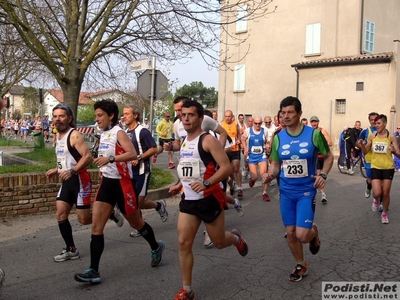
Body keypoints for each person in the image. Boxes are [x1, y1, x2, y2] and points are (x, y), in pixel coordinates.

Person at [74, 99, 164, 284]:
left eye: (100, 115)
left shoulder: (119, 132)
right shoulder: (103, 133)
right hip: (107, 185)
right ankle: (93, 270)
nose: (96, 119)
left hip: (123, 185)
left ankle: (156, 246)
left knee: (136, 223)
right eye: (96, 115)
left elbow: (132, 154)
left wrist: (111, 159)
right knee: (96, 227)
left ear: (111, 115)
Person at [168, 100, 248, 299]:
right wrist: (180, 183)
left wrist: (207, 183)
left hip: (209, 198)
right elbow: (189, 168)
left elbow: (226, 168)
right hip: (189, 200)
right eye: (183, 115)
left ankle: (236, 238)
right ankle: (187, 290)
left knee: (219, 242)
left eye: (191, 115)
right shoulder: (185, 141)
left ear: (200, 118)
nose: (185, 118)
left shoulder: (207, 140)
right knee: (183, 243)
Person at [262, 96, 333, 282]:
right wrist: (270, 174)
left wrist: (323, 175)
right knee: (291, 233)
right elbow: (276, 164)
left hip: (306, 191)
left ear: (299, 113)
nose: (286, 116)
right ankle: (301, 263)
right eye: (283, 112)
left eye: (290, 112)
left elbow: (329, 157)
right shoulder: (278, 137)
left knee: (302, 235)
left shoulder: (313, 134)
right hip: (286, 191)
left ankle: (313, 233)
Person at [45, 103, 94, 262]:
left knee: (84, 220)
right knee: (60, 214)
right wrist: (57, 170)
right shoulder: (58, 136)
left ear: (69, 118)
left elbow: (87, 157)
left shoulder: (75, 135)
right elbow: (67, 160)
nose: (57, 119)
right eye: (55, 116)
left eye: (61, 116)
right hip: (67, 182)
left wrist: (72, 171)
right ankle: (71, 249)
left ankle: (110, 212)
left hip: (80, 181)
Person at [123, 103, 168, 238]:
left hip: (143, 171)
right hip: (130, 173)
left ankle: (158, 206)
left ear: (135, 115)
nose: (124, 116)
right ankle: (140, 226)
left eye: (127, 114)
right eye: (123, 114)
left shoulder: (142, 131)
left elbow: (154, 148)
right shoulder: (125, 133)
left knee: (139, 201)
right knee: (135, 202)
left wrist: (139, 157)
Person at [357, 114, 400, 224]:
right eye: (375, 123)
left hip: (388, 168)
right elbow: (365, 151)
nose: (376, 125)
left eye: (379, 123)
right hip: (375, 166)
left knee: (385, 193)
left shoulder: (391, 137)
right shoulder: (373, 136)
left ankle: (384, 213)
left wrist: (394, 151)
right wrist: (362, 145)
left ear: (385, 123)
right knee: (377, 193)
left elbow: (399, 153)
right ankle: (376, 200)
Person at [242, 115, 270, 201]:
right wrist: (245, 149)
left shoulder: (264, 131)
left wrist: (267, 145)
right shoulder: (248, 131)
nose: (257, 125)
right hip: (252, 157)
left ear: (261, 123)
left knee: (264, 175)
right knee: (255, 177)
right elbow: (243, 139)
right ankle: (252, 180)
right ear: (253, 123)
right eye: (256, 123)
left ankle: (264, 193)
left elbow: (266, 141)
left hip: (262, 156)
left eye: (259, 123)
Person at [310, 115, 333, 203]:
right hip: (315, 158)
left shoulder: (322, 131)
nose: (314, 123)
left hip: (323, 157)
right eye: (312, 122)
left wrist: (321, 145)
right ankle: (322, 194)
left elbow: (330, 142)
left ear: (318, 122)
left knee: (320, 177)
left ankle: (320, 193)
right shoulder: (310, 132)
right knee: (318, 176)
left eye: (315, 121)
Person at [221, 110, 244, 197]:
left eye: (229, 116)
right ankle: (232, 184)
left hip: (235, 149)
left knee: (236, 169)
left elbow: (239, 134)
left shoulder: (236, 124)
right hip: (226, 150)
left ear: (232, 116)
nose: (227, 118)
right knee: (229, 170)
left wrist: (238, 139)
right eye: (226, 116)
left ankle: (240, 188)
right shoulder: (221, 125)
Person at [357, 112, 378, 198]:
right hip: (369, 159)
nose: (373, 121)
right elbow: (358, 142)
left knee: (379, 181)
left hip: (380, 160)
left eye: (375, 119)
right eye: (371, 120)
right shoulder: (365, 131)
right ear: (369, 121)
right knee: (370, 180)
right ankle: (369, 187)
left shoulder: (384, 131)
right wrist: (361, 144)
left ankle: (379, 200)